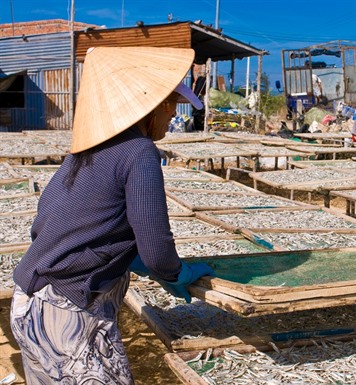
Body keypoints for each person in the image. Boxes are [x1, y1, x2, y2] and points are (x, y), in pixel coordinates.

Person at [10, 46, 215, 384]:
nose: (172, 119)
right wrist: (175, 272)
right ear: (158, 105)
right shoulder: (140, 152)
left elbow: (46, 219)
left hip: (29, 303)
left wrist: (125, 257)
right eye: (173, 109)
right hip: (68, 316)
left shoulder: (85, 152)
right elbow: (156, 245)